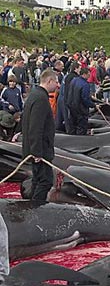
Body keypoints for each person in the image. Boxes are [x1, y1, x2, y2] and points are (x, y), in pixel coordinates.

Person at [22, 68, 58, 201]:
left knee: (38, 180)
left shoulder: (34, 94)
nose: (57, 85)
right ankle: (36, 209)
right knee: (45, 181)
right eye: (56, 82)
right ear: (49, 81)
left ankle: (32, 206)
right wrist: (37, 152)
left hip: (37, 149)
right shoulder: (41, 99)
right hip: (40, 150)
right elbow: (36, 128)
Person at [67, 68, 97, 135]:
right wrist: (94, 105)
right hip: (81, 110)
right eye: (88, 74)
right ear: (84, 74)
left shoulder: (74, 80)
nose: (90, 76)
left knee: (72, 127)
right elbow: (85, 99)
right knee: (81, 128)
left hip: (72, 107)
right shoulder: (85, 84)